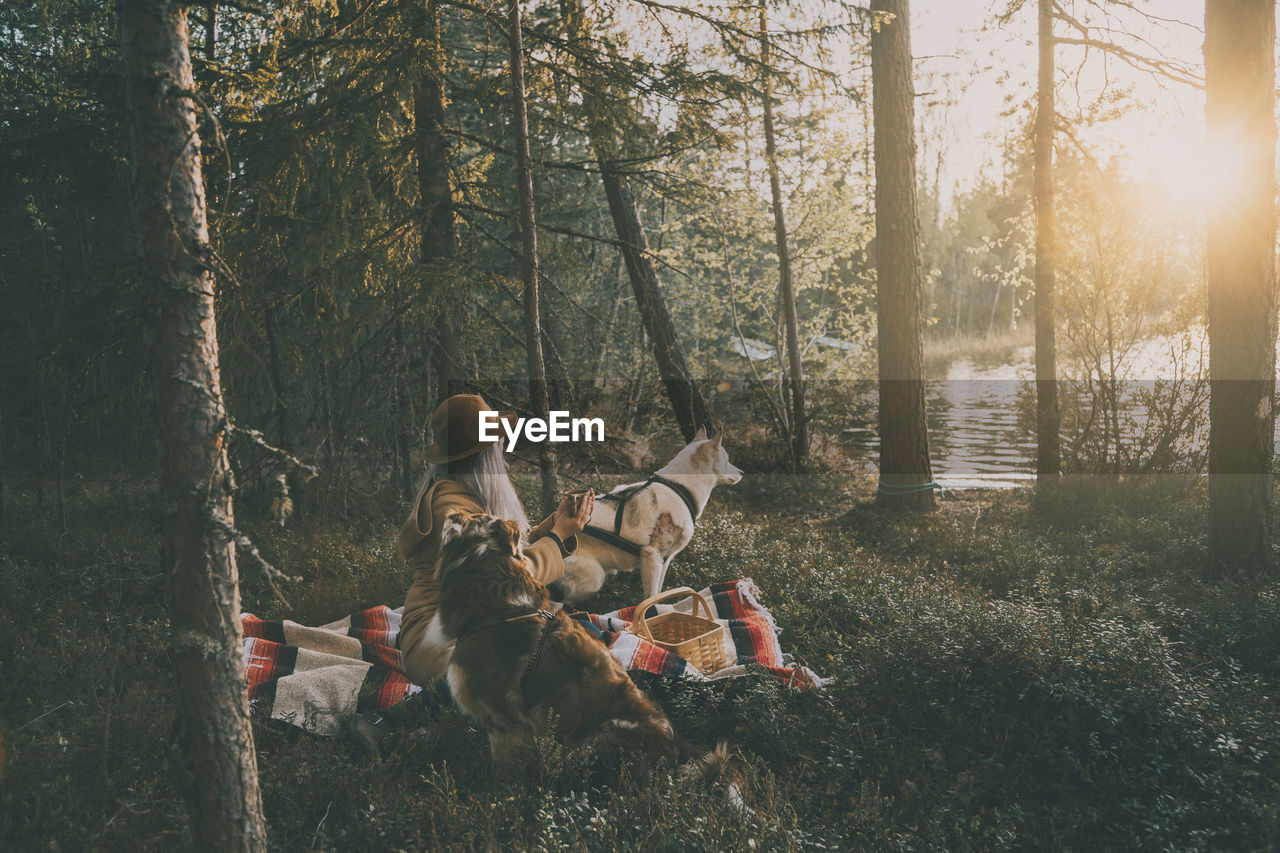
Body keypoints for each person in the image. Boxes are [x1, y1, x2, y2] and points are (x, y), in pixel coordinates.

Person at [348, 393, 594, 758]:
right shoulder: (452, 507)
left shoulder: (461, 493)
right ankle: (388, 722)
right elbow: (509, 574)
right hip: (438, 637)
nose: (502, 452)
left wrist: (557, 526)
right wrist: (558, 536)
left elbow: (508, 554)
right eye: (496, 444)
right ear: (483, 455)